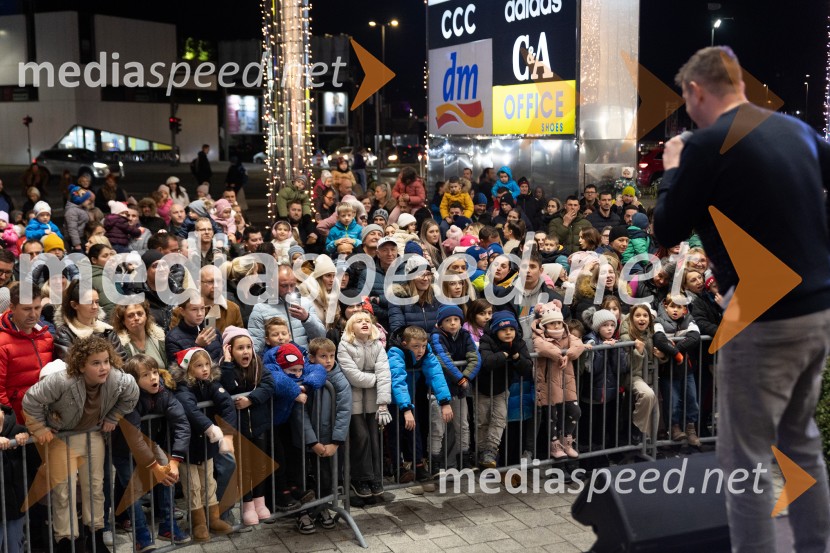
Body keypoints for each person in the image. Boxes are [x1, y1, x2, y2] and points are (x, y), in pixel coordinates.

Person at [653, 46, 830, 552]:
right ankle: (814, 545)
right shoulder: (794, 129)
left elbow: (667, 228)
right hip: (816, 309)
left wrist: (673, 166)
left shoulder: (708, 144)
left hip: (763, 314)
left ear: (697, 91)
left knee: (745, 461)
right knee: (800, 443)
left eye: (686, 100)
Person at [23, 336, 139, 553]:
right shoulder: (61, 380)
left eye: (106, 361)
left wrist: (114, 417)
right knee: (63, 491)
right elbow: (31, 400)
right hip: (61, 438)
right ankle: (65, 540)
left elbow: (132, 394)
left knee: (95, 486)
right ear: (81, 365)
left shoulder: (118, 379)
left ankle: (95, 537)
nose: (103, 367)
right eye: (96, 363)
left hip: (92, 435)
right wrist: (39, 428)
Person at [114, 355, 191, 550]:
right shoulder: (130, 398)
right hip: (122, 448)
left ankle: (167, 526)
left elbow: (182, 424)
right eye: (146, 375)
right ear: (134, 380)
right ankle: (141, 537)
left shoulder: (164, 393)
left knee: (168, 473)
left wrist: (174, 461)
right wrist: (153, 467)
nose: (154, 378)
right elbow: (133, 438)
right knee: (133, 490)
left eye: (155, 372)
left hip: (149, 443)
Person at [170, 347, 235, 542]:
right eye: (199, 366)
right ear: (187, 369)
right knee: (193, 486)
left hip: (207, 447)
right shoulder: (182, 388)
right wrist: (210, 427)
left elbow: (227, 403)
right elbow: (189, 408)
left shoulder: (211, 383)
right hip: (188, 447)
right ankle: (198, 522)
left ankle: (213, 518)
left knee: (209, 482)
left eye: (207, 364)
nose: (205, 369)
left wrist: (229, 434)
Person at [218, 326, 276, 526]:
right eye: (240, 348)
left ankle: (260, 503)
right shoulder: (225, 367)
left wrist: (251, 399)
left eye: (248, 347)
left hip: (258, 425)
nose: (246, 352)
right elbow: (229, 388)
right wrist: (226, 364)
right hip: (238, 428)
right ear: (229, 350)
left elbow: (269, 385)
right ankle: (247, 505)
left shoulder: (259, 365)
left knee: (259, 465)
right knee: (244, 468)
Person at [337, 311, 391, 498]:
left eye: (367, 320)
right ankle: (359, 478)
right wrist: (376, 378)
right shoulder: (344, 346)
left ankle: (375, 478)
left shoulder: (377, 345)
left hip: (373, 401)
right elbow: (353, 376)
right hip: (352, 400)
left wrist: (383, 402)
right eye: (359, 321)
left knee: (374, 439)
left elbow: (386, 372)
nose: (364, 323)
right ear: (351, 327)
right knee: (360, 438)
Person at [476, 311, 533, 468]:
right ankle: (481, 453)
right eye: (503, 330)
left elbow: (527, 367)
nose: (508, 333)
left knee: (499, 419)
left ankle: (491, 451)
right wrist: (505, 353)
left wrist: (515, 356)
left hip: (502, 387)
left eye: (511, 329)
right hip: (483, 388)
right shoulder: (486, 340)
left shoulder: (518, 343)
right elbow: (487, 361)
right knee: (482, 422)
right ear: (495, 330)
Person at [429, 306, 480, 471]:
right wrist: (460, 379)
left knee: (462, 425)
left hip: (459, 390)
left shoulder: (465, 335)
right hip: (439, 390)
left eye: (456, 320)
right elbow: (444, 360)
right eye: (448, 320)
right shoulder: (436, 337)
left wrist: (465, 377)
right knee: (438, 428)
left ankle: (464, 460)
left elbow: (475, 358)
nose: (452, 323)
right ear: (441, 323)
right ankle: (434, 463)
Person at [0, 282, 54, 422]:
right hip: (17, 424)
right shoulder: (2, 342)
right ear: (12, 307)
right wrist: (11, 424)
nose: (33, 314)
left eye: (37, 308)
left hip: (45, 419)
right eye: (27, 309)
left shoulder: (46, 336)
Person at [652, 294, 701, 446]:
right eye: (672, 306)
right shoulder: (658, 321)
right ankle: (674, 428)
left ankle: (691, 429)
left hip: (687, 369)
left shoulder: (689, 320)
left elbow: (695, 337)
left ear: (684, 309)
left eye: (679, 307)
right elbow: (659, 340)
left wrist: (674, 350)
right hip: (668, 371)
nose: (675, 310)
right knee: (672, 402)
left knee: (692, 399)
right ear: (666, 306)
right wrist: (677, 354)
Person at [249, 264, 326, 352]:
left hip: (303, 361)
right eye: (284, 286)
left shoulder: (305, 304)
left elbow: (321, 337)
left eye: (292, 285)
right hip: (275, 363)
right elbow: (256, 347)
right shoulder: (260, 308)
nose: (289, 290)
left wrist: (306, 319)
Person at [619, 303, 661, 444]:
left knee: (655, 414)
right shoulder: (626, 338)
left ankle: (646, 448)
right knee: (647, 395)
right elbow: (630, 366)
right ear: (631, 319)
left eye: (645, 315)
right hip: (633, 375)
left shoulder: (651, 334)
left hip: (650, 377)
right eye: (637, 315)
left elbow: (656, 360)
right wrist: (638, 352)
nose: (642, 319)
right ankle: (635, 428)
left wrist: (661, 356)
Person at [54, 279, 127, 360]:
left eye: (97, 302)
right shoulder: (64, 334)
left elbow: (122, 360)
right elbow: (71, 366)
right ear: (74, 305)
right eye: (89, 302)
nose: (95, 307)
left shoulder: (107, 330)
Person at [0, 402, 29, 553]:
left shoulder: (17, 430)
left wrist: (26, 439)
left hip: (15, 505)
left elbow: (35, 463)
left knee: (14, 545)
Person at [166, 295, 223, 363]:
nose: (200, 313)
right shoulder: (173, 338)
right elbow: (178, 370)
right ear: (182, 311)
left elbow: (222, 359)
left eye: (202, 308)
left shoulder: (213, 330)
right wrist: (198, 346)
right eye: (194, 309)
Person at [113, 301, 168, 369]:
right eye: (130, 316)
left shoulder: (159, 337)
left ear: (146, 316)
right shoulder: (119, 345)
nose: (136, 318)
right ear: (123, 321)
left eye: (140, 314)